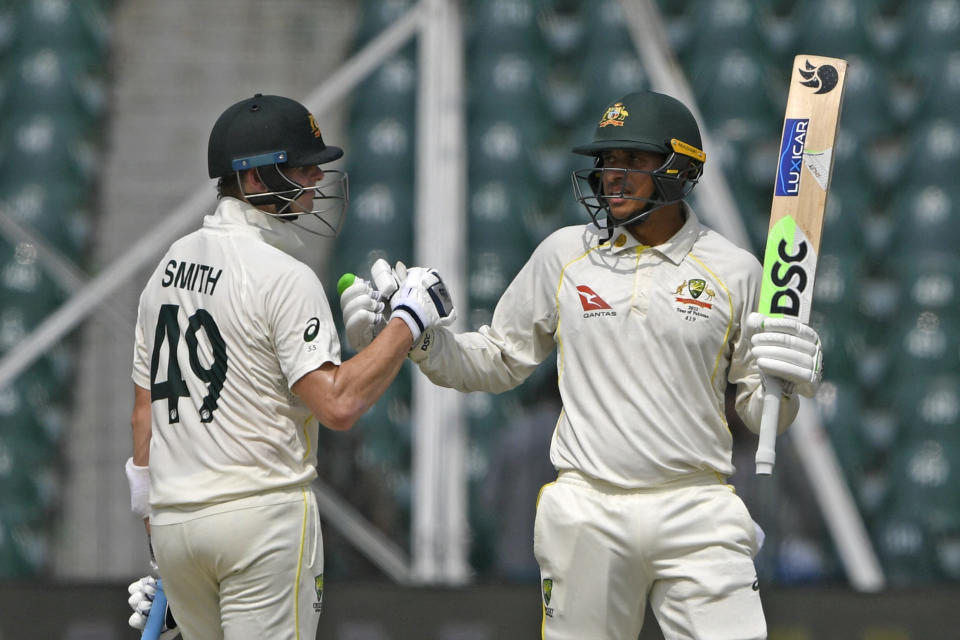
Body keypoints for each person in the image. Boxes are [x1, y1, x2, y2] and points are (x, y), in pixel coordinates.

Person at [341, 90, 823, 639]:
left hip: (697, 506)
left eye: (633, 161)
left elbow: (761, 414)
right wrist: (417, 337)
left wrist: (788, 386)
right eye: (606, 161)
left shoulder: (735, 271)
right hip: (589, 505)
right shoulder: (564, 255)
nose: (611, 175)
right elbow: (497, 360)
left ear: (680, 168)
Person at [123, 93, 455, 640]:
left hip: (178, 518)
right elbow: (339, 404)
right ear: (254, 180)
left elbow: (144, 414)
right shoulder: (285, 275)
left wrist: (159, 537)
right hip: (261, 519)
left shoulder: (167, 268)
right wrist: (407, 323)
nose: (316, 179)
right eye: (302, 167)